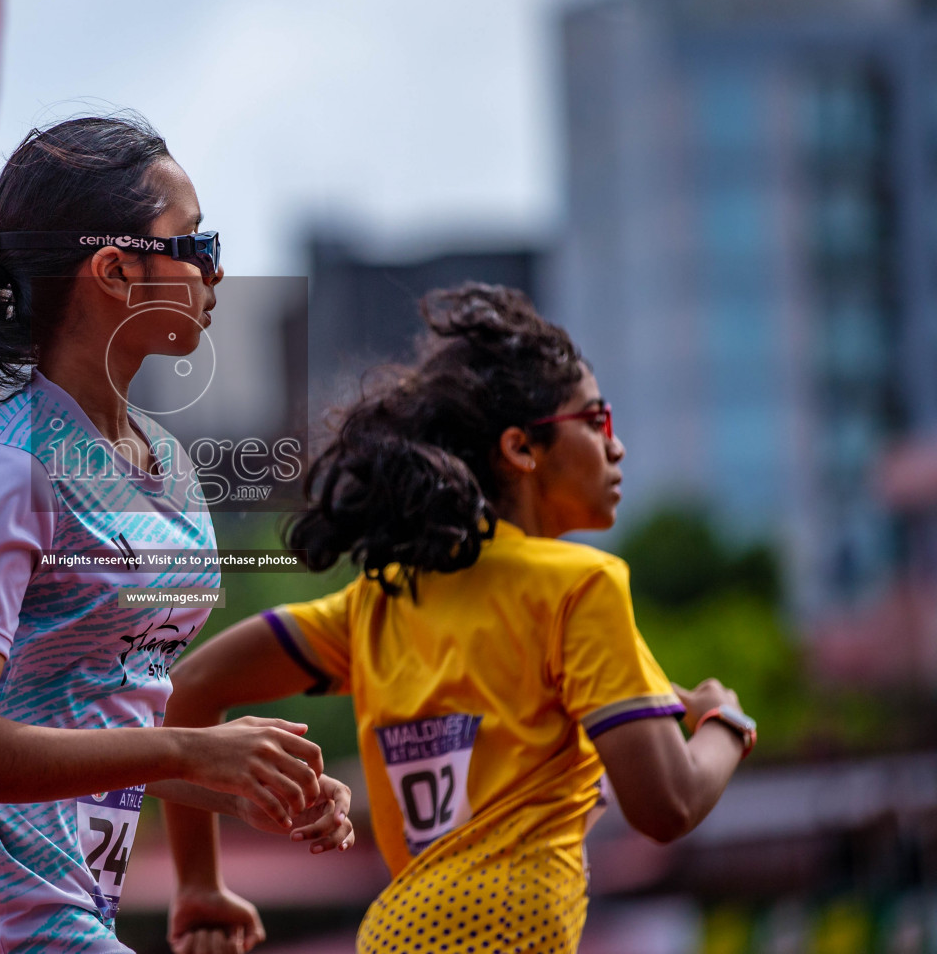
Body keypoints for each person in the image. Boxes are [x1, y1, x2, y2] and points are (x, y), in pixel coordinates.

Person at [0, 115, 353, 954]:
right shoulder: (1, 471)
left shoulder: (163, 464)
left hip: (72, 909)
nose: (218, 269)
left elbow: (99, 726)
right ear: (115, 269)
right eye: (195, 241)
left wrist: (248, 783)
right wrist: (195, 748)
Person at [163, 285, 755, 954]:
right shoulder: (581, 585)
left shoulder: (376, 603)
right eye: (597, 420)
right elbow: (666, 805)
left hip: (395, 934)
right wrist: (724, 724)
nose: (616, 448)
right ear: (522, 449)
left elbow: (186, 689)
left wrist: (198, 884)